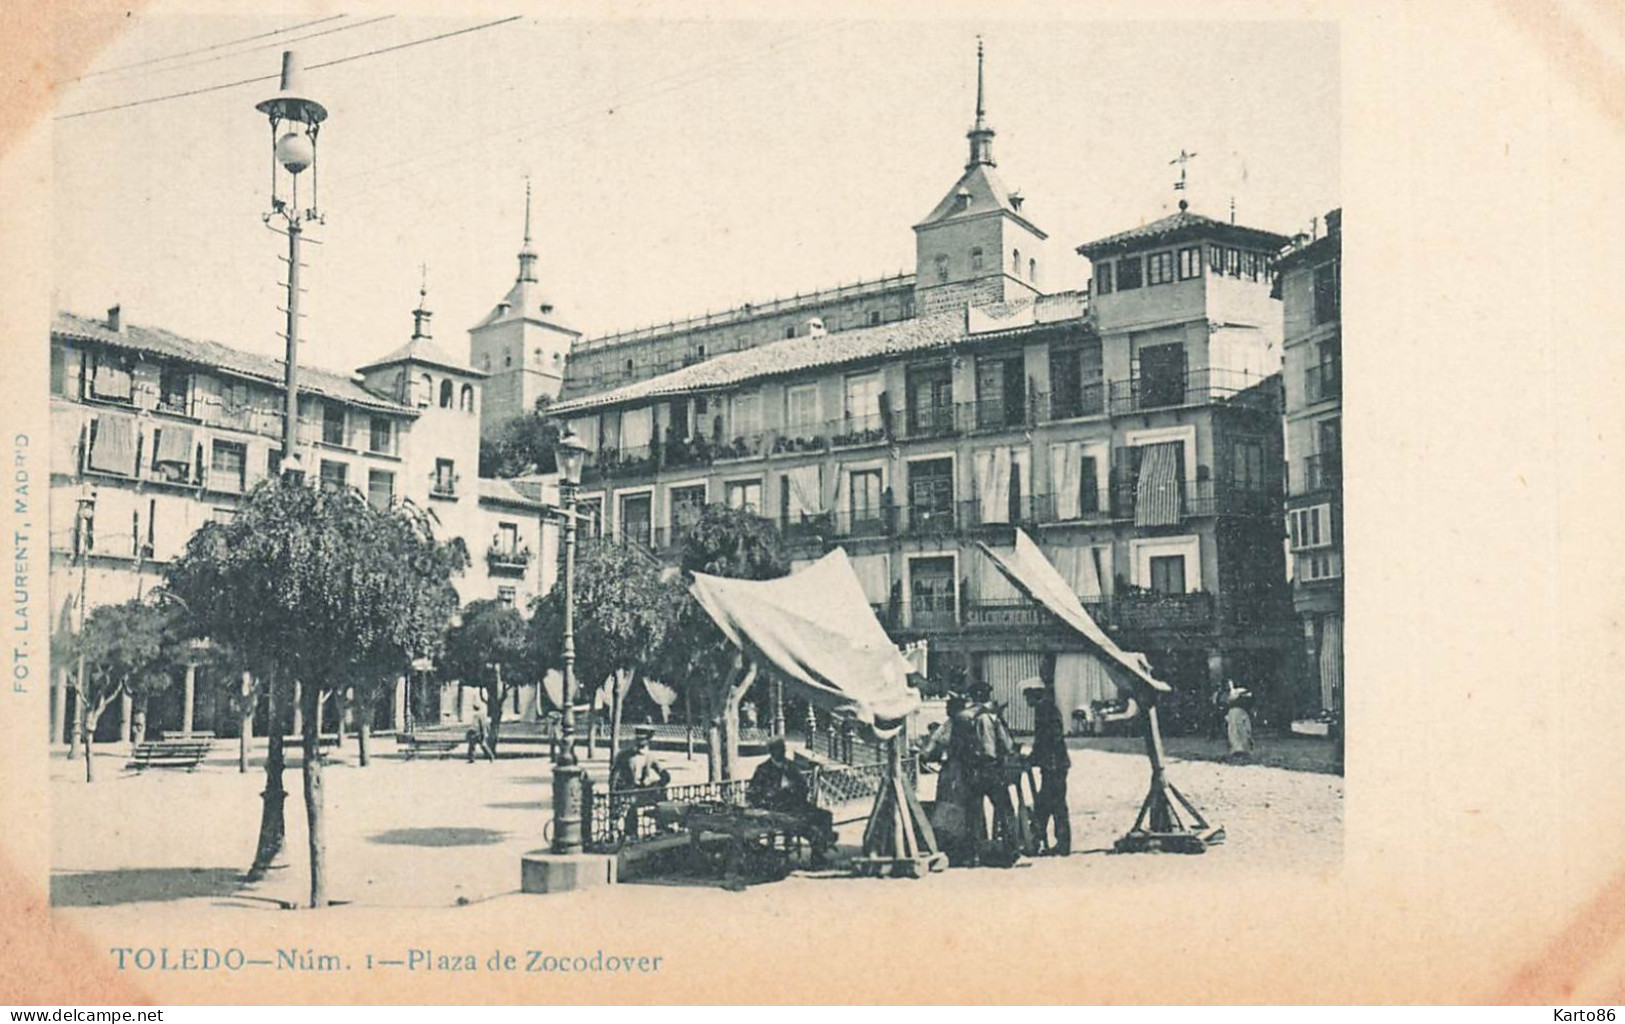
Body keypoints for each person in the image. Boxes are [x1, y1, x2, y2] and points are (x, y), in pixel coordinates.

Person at [919, 696, 984, 866]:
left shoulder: (956, 723)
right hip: (962, 770)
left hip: (955, 771)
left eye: (949, 706)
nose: (946, 709)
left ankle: (957, 847)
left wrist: (927, 754)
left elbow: (937, 743)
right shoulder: (966, 722)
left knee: (952, 806)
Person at [748, 737, 836, 863]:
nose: (782, 752)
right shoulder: (763, 769)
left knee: (825, 815)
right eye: (779, 750)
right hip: (776, 808)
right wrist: (772, 795)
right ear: (772, 751)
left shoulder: (790, 766)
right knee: (809, 827)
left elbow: (803, 787)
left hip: (796, 804)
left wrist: (794, 789)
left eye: (783, 749)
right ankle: (818, 854)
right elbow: (754, 792)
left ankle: (822, 846)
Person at [964, 681, 1020, 866]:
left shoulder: (966, 717)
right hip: (992, 768)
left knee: (974, 812)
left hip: (973, 769)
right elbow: (1007, 744)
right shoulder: (992, 717)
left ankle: (973, 854)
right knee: (1004, 809)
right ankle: (1011, 851)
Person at [1024, 656, 1072, 856]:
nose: (1026, 700)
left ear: (1035, 694)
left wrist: (1033, 758)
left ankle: (1055, 844)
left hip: (1053, 764)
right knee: (1050, 804)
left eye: (1027, 696)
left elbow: (1047, 740)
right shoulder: (1046, 708)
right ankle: (1048, 842)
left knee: (1051, 805)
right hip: (1055, 764)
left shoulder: (1044, 710)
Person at [610, 725, 671, 838]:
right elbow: (614, 776)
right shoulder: (624, 755)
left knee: (661, 796)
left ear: (648, 740)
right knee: (630, 809)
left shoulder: (649, 756)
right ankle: (630, 833)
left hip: (642, 791)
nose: (641, 741)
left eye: (644, 739)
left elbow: (665, 776)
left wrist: (655, 782)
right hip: (627, 791)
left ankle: (661, 827)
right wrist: (614, 793)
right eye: (639, 738)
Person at [1224, 679, 1255, 760]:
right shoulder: (1232, 695)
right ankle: (1238, 749)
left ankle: (1241, 749)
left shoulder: (1241, 693)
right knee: (1235, 731)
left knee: (1240, 730)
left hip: (1240, 712)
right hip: (1235, 712)